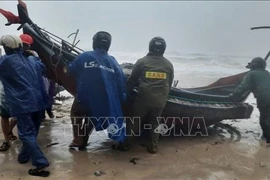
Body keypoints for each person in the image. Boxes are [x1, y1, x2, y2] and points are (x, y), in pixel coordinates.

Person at [65, 31, 126, 149]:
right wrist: (122, 98)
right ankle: (83, 139)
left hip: (84, 96)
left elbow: (71, 70)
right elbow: (121, 80)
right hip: (102, 99)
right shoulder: (112, 61)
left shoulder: (84, 56)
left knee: (76, 114)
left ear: (95, 42)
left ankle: (78, 139)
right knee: (92, 117)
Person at [0, 34, 50, 177]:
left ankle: (40, 164)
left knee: (26, 134)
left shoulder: (4, 62)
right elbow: (44, 69)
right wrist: (32, 55)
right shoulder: (33, 59)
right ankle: (23, 156)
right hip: (40, 102)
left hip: (23, 104)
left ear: (6, 48)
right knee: (32, 132)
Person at [116, 37, 174, 154]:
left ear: (150, 47)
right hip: (160, 100)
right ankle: (153, 147)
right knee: (155, 122)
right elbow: (170, 83)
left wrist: (124, 94)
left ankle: (126, 145)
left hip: (144, 99)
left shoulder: (142, 61)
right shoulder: (169, 64)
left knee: (135, 120)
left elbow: (132, 81)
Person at [229, 57, 270, 146]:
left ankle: (267, 138)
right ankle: (266, 136)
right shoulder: (267, 73)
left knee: (264, 119)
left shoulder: (251, 74)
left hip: (264, 99)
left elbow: (243, 87)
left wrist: (232, 96)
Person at [19, 33, 55, 119]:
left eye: (25, 45)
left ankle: (47, 112)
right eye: (23, 45)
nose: (25, 48)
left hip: (42, 78)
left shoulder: (34, 54)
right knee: (44, 95)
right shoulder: (29, 55)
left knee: (46, 95)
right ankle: (44, 113)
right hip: (37, 79)